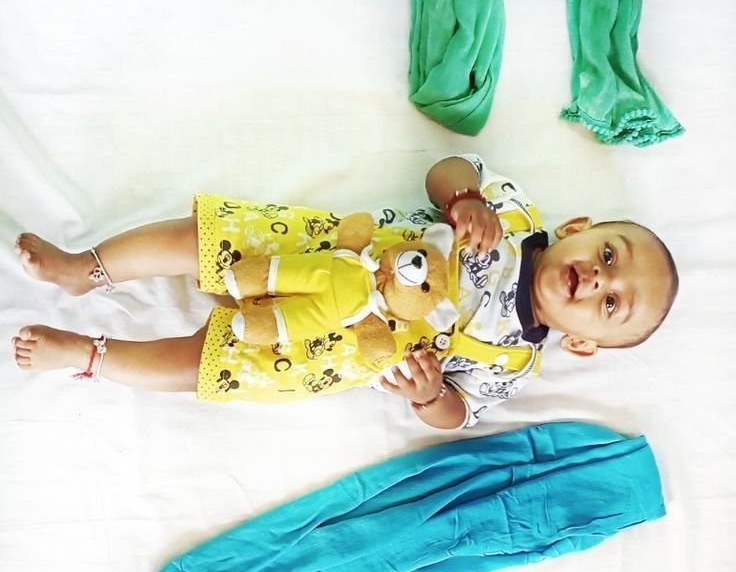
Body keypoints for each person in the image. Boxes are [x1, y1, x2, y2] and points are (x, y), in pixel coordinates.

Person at [11, 155, 678, 431]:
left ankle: (87, 353)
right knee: (207, 239)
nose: (597, 279)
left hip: (335, 347)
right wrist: (463, 199)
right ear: (581, 230)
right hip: (336, 257)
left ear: (585, 342)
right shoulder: (514, 214)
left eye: (611, 303)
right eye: (609, 256)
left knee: (204, 366)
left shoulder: (513, 362)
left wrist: (428, 394)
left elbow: (456, 416)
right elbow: (447, 168)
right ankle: (85, 269)